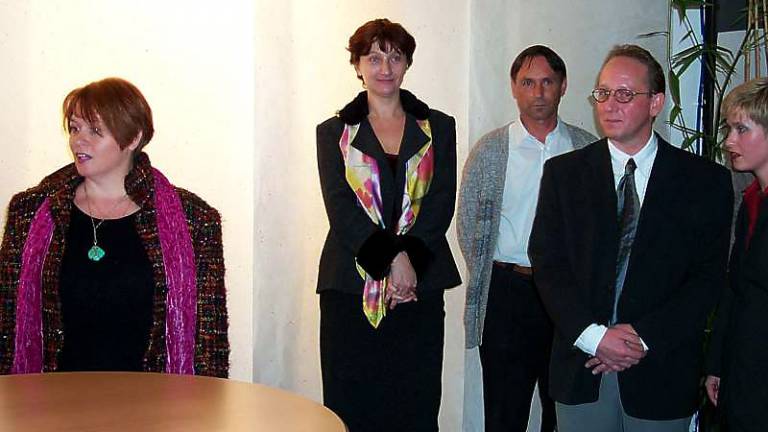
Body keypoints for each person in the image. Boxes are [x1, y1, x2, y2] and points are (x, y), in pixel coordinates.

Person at [529, 44, 733, 431]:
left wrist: (642, 338)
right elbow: (548, 264)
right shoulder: (565, 174)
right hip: (582, 365)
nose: (609, 105)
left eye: (624, 94)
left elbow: (706, 280)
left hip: (661, 368)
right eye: (603, 93)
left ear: (656, 102)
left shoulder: (704, 181)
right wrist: (594, 337)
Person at [0, 77, 229, 377]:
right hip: (51, 400)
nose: (78, 141)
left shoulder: (194, 220)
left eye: (95, 131)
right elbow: (6, 322)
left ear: (133, 138)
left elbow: (209, 345)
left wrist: (204, 403)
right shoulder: (30, 213)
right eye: (75, 128)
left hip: (156, 402)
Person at [315, 18, 461, 432]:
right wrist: (393, 261)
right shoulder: (334, 132)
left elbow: (440, 202)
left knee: (415, 403)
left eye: (395, 57)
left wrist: (409, 262)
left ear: (407, 63)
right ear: (357, 65)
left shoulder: (438, 127)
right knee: (352, 406)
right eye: (374, 58)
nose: (385, 68)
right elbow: (340, 208)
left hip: (419, 285)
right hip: (350, 286)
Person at [458, 45, 596, 432]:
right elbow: (468, 223)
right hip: (508, 294)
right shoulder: (491, 150)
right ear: (514, 88)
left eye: (547, 82)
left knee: (564, 411)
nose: (538, 93)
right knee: (505, 413)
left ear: (563, 86)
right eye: (528, 83)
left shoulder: (586, 149)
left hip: (569, 296)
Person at [705, 77, 768, 432]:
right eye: (729, 129)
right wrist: (717, 364)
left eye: (741, 129)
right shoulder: (750, 200)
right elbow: (734, 290)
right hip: (742, 370)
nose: (729, 141)